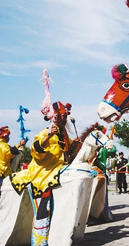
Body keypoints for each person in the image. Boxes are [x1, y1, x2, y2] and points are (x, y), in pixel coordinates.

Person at [10, 101, 78, 245]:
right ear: (56, 117)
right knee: (43, 212)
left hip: (55, 175)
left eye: (66, 116)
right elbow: (36, 151)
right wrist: (47, 136)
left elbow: (69, 154)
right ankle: (39, 243)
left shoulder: (64, 136)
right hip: (41, 178)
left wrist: (76, 145)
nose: (65, 119)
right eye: (63, 116)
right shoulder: (44, 133)